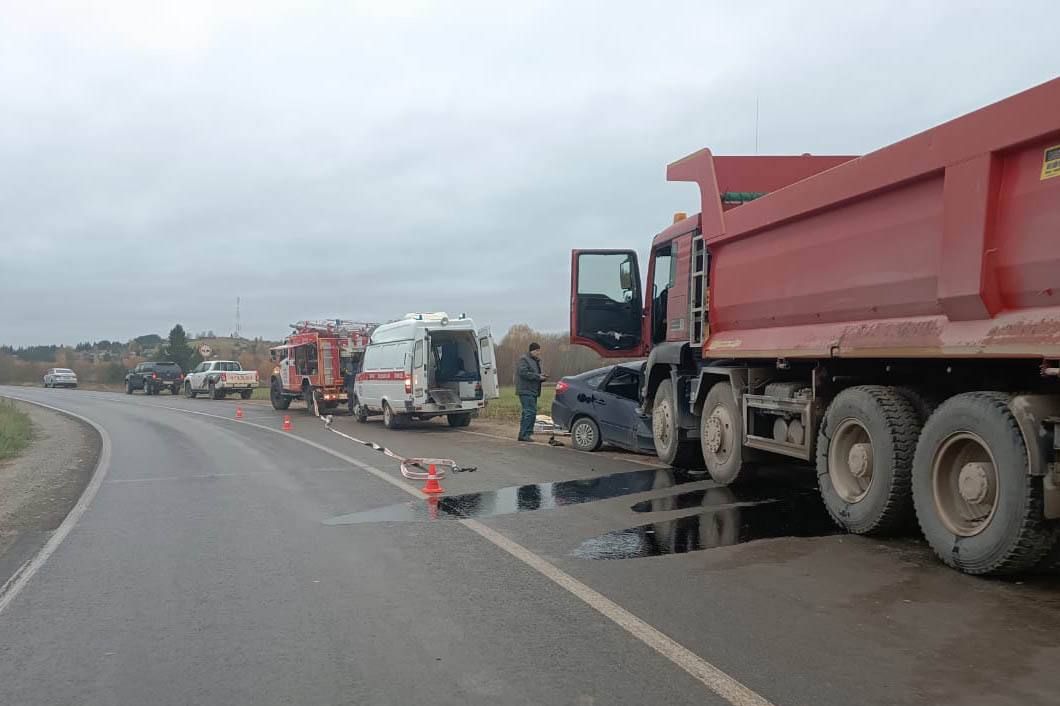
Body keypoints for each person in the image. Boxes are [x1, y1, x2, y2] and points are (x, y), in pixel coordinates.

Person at [516, 342, 547, 441]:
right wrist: (538, 376)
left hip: (533, 391)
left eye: (539, 350)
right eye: (537, 350)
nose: (539, 352)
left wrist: (542, 377)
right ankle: (525, 435)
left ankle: (523, 434)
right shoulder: (524, 359)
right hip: (526, 391)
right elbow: (523, 373)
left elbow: (532, 374)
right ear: (532, 350)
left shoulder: (535, 361)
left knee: (528, 413)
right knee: (530, 412)